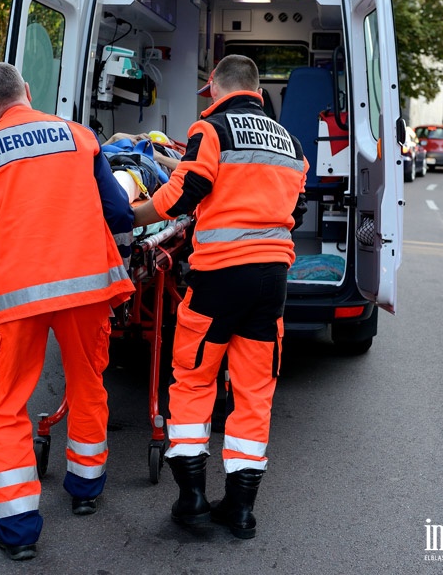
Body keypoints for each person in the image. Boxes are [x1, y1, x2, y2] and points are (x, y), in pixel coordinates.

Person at [0, 62, 135, 561]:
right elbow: (116, 214)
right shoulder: (79, 136)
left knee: (5, 407)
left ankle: (19, 531)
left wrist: (11, 237)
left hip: (18, 296)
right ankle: (86, 490)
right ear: (28, 93)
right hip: (86, 290)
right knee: (87, 385)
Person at [132, 54, 308, 539]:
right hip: (272, 279)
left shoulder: (210, 130)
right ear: (255, 88)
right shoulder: (290, 142)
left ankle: (190, 500)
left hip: (219, 280)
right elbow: (286, 199)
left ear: (213, 86)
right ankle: (241, 509)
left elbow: (184, 195)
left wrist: (129, 215)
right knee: (254, 392)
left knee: (192, 380)